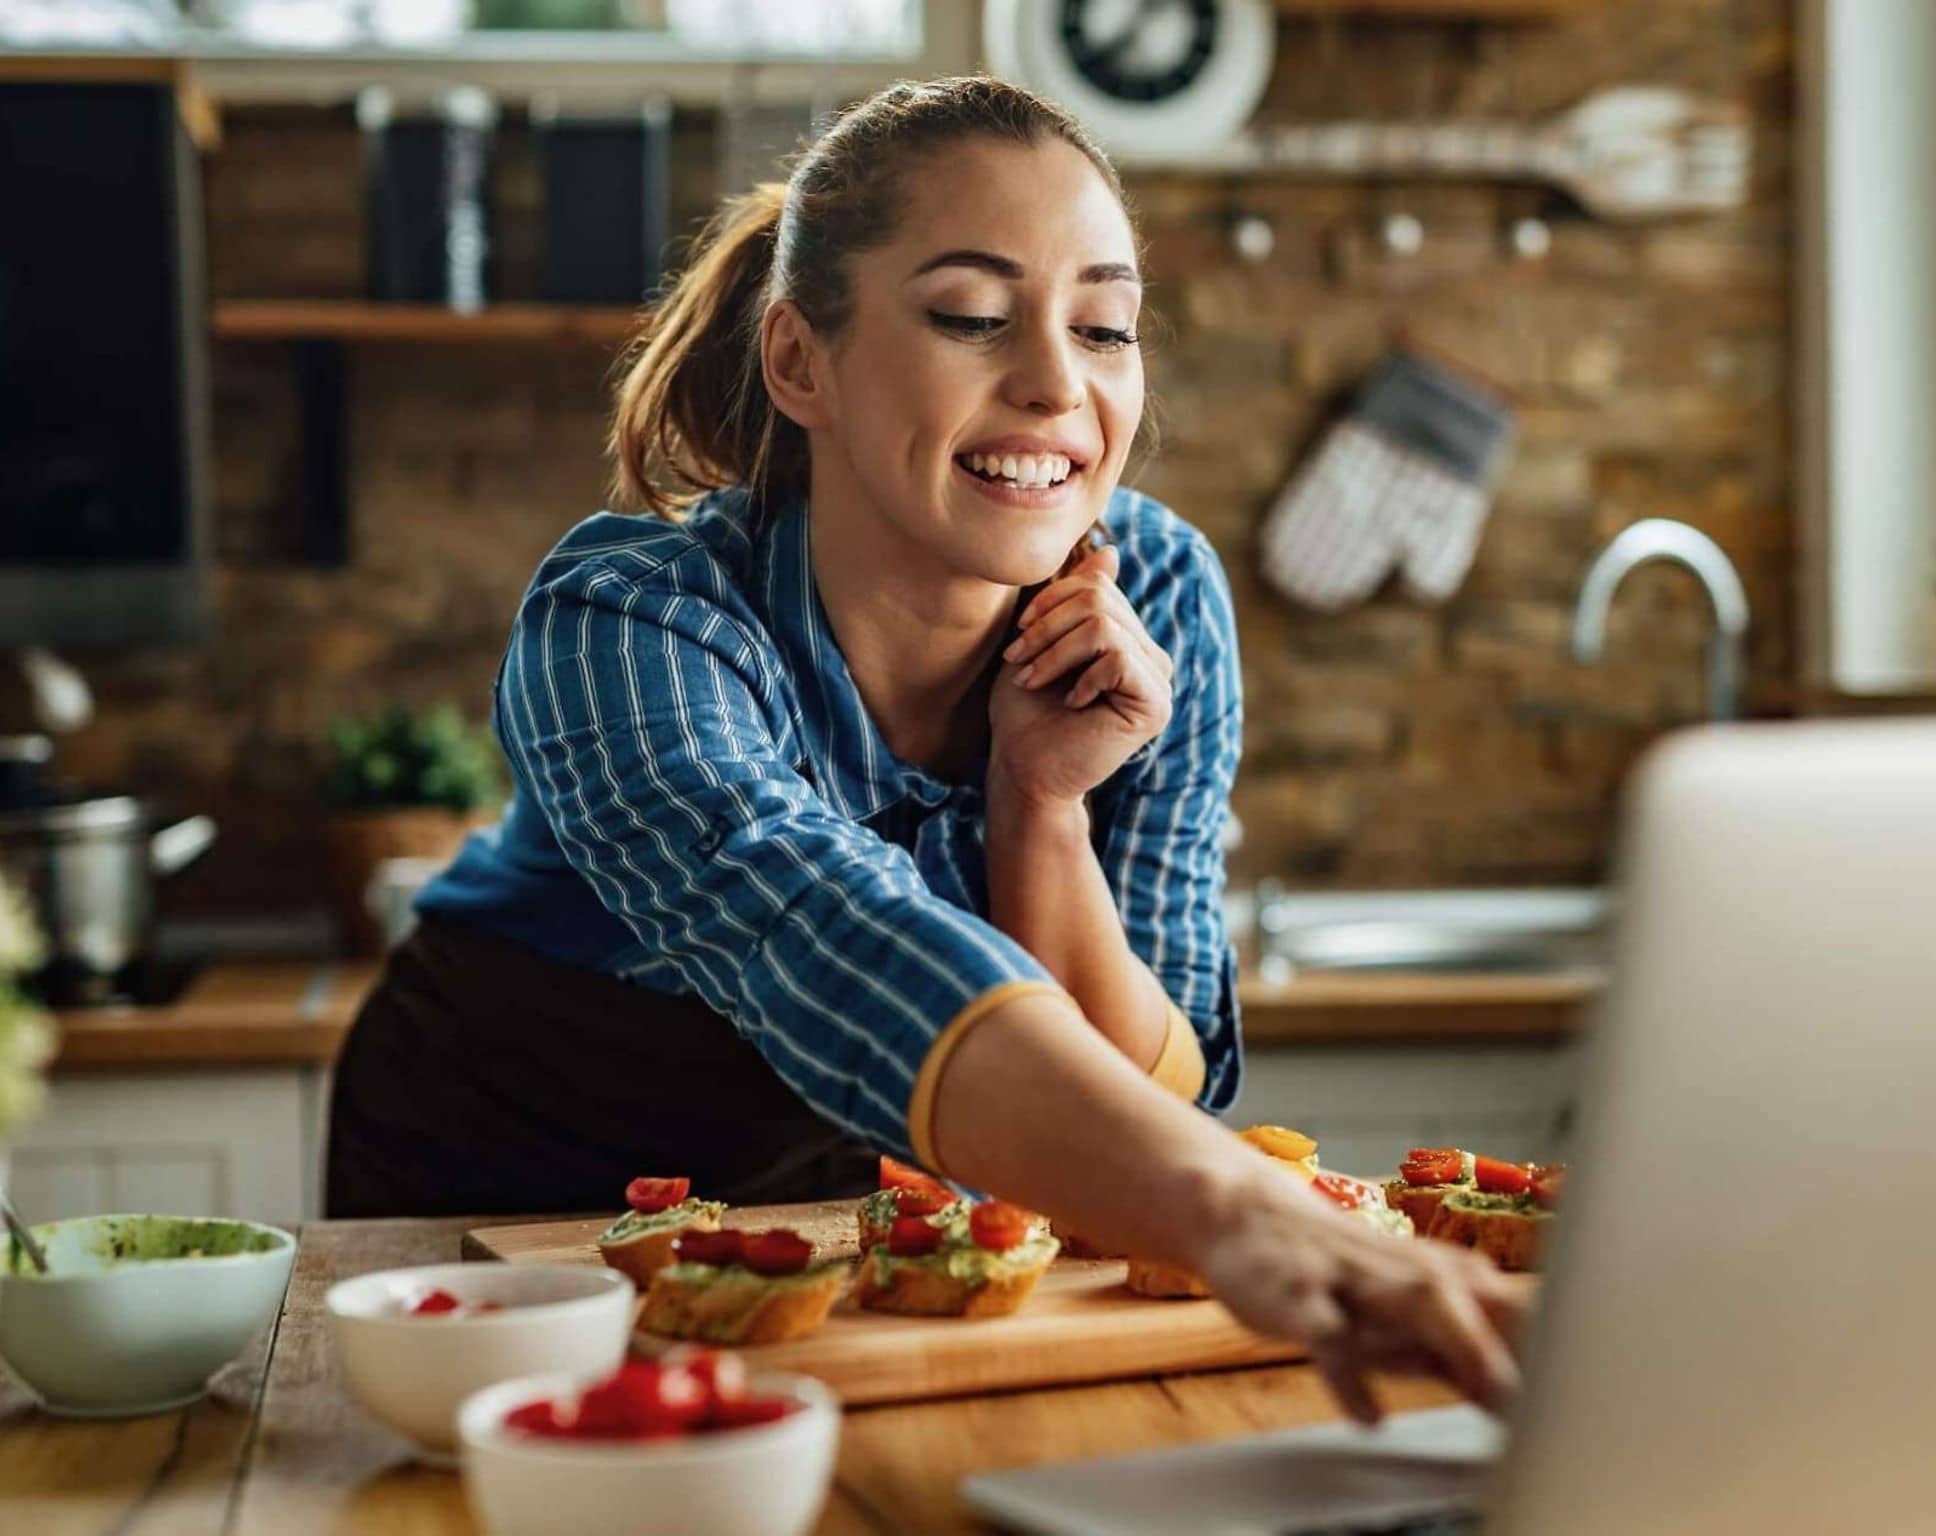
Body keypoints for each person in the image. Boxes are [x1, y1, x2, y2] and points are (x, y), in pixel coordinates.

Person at [326, 75, 1529, 1422]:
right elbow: (820, 936)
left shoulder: (1163, 597)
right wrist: (1232, 1205)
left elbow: (1164, 1069)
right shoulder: (630, 620)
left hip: (876, 1169)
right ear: (801, 362)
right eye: (970, 316)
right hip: (504, 1160)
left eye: (1107, 327)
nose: (1055, 387)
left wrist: (1043, 806)